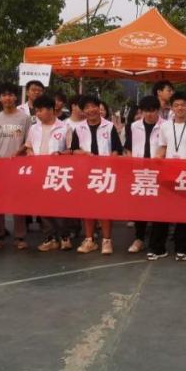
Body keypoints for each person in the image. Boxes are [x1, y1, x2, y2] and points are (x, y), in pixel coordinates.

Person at [149, 92, 186, 262]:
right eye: (176, 105)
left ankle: (182, 248)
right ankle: (157, 248)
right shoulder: (165, 126)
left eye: (183, 105)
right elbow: (162, 147)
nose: (180, 108)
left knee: (184, 213)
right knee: (161, 212)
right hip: (168, 173)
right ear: (172, 108)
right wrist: (156, 159)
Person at [71, 94, 124, 255]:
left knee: (104, 208)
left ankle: (106, 240)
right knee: (87, 208)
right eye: (86, 107)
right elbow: (74, 150)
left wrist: (109, 163)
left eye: (93, 106)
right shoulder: (78, 128)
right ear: (83, 111)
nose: (91, 110)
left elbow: (116, 149)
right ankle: (89, 240)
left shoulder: (109, 126)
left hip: (105, 174)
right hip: (86, 173)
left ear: (98, 107)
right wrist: (84, 154)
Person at [24, 94, 72, 252]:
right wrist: (30, 153)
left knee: (60, 206)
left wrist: (60, 154)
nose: (37, 114)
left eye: (40, 110)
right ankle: (50, 238)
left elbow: (71, 150)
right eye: (36, 111)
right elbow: (28, 147)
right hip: (39, 172)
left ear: (51, 109)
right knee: (42, 206)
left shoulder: (65, 127)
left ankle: (65, 237)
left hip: (57, 173)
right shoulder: (34, 128)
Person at [0, 82, 31, 250]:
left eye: (10, 95)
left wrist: (19, 152)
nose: (7, 98)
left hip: (18, 165)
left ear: (15, 97)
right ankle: (0, 233)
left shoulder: (24, 118)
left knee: (18, 201)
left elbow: (28, 142)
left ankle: (20, 236)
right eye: (4, 95)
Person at [123, 96, 163, 254]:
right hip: (139, 172)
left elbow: (166, 147)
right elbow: (128, 148)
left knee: (158, 207)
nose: (149, 114)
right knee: (139, 206)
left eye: (152, 111)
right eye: (146, 111)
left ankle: (156, 240)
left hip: (160, 172)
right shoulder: (133, 126)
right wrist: (131, 163)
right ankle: (139, 238)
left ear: (158, 111)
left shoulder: (166, 126)